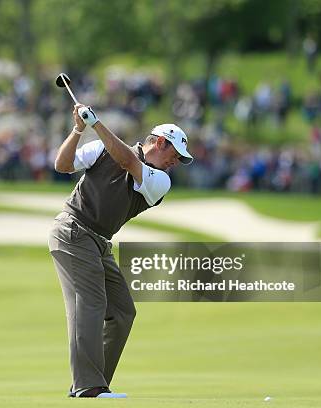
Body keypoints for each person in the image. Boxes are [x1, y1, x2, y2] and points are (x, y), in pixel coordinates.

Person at [49, 103, 193, 398]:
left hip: (99, 242)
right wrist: (78, 129)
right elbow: (61, 166)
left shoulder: (160, 182)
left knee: (122, 311)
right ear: (161, 142)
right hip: (73, 231)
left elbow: (128, 161)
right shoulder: (101, 150)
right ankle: (88, 386)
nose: (175, 163)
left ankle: (96, 382)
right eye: (174, 155)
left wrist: (97, 124)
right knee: (90, 303)